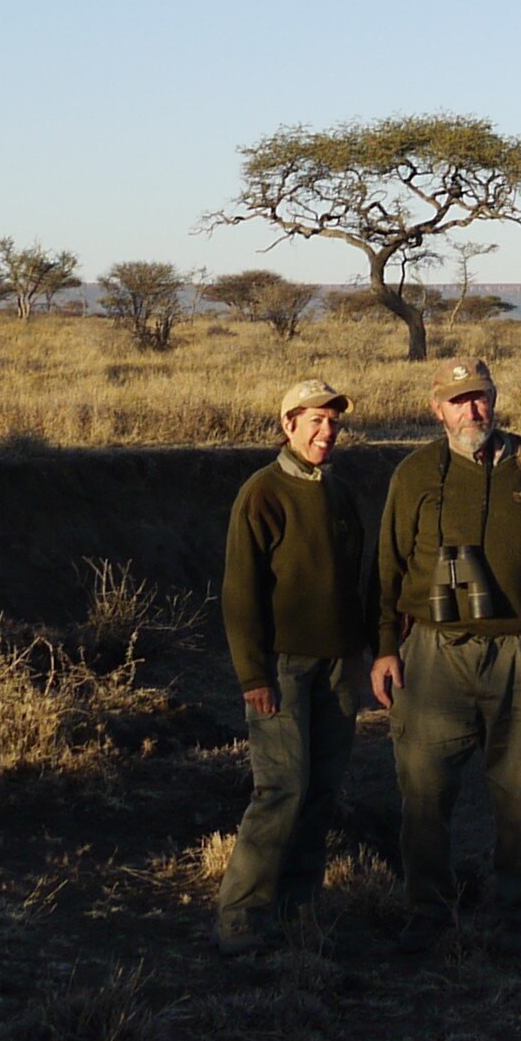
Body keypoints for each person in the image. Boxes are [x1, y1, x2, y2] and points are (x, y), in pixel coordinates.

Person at [371, 355, 521, 934]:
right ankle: (427, 914)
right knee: (424, 789)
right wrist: (384, 648)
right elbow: (388, 570)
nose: (473, 409)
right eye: (459, 400)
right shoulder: (415, 473)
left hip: (520, 653)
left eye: (482, 396)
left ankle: (520, 918)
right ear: (436, 409)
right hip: (435, 651)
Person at [217, 375, 370, 954]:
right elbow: (240, 593)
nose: (327, 432)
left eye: (334, 422)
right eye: (315, 422)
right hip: (282, 667)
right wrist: (252, 675)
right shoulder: (261, 493)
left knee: (322, 791)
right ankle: (240, 915)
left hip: (339, 666)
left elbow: (356, 579)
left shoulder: (339, 492)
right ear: (289, 425)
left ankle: (297, 910)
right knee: (281, 788)